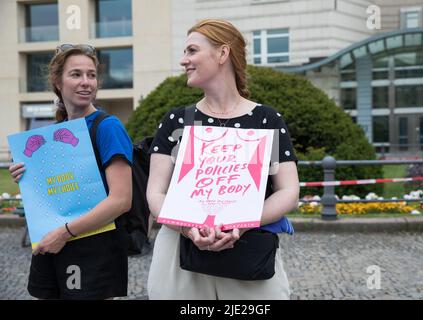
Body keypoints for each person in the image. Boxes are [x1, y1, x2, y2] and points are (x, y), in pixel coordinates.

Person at [146, 19, 300, 300]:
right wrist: (187, 228)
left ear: (222, 54)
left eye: (192, 51)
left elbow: (289, 190)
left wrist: (241, 224)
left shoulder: (266, 119)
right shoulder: (177, 120)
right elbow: (155, 192)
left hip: (249, 253)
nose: (184, 60)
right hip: (179, 254)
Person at [9, 44, 133, 299]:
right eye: (76, 74)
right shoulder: (56, 132)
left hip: (92, 249)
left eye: (91, 75)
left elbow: (121, 200)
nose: (86, 82)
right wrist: (25, 175)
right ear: (57, 81)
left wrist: (64, 233)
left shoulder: (108, 127)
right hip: (51, 245)